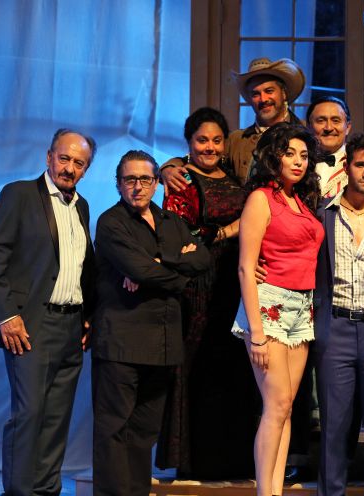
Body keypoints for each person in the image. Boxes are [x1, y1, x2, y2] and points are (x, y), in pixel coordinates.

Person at [0, 128, 96, 496]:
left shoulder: (81, 206)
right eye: (65, 158)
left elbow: (81, 266)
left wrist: (88, 315)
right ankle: (18, 492)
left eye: (79, 163)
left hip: (70, 327)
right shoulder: (20, 195)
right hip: (31, 324)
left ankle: (46, 491)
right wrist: (6, 315)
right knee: (28, 414)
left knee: (56, 418)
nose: (70, 168)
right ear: (48, 157)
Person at [90, 150, 211, 496]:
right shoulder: (111, 222)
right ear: (118, 184)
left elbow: (202, 258)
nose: (138, 186)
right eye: (130, 179)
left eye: (145, 179)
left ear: (157, 183)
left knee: (144, 430)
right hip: (121, 340)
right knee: (114, 428)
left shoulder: (171, 222)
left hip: (163, 343)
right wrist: (174, 273)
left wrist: (159, 262)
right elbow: (140, 269)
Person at [156, 107, 257, 478]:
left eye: (216, 140)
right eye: (202, 140)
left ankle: (233, 459)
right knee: (199, 366)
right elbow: (179, 237)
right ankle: (197, 461)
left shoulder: (232, 175)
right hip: (198, 286)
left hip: (235, 282)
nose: (210, 147)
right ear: (189, 142)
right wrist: (230, 230)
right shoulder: (181, 179)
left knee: (233, 367)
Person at [231, 122, 324, 496]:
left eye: (304, 155)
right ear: (274, 157)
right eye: (290, 154)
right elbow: (245, 266)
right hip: (268, 305)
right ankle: (263, 492)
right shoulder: (261, 198)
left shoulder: (300, 200)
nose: (299, 161)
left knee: (285, 407)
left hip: (302, 307)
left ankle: (275, 490)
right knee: (277, 402)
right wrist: (256, 332)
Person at [314, 133, 364, 496]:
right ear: (347, 167)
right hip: (335, 325)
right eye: (360, 164)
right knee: (334, 424)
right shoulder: (323, 214)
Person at [160, 57, 306, 192]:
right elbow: (197, 157)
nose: (263, 99)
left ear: (284, 93)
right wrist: (169, 168)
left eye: (269, 91)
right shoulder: (237, 140)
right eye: (255, 94)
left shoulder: (304, 134)